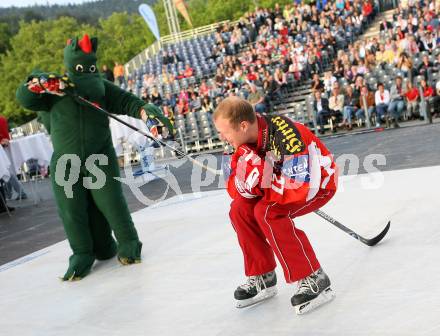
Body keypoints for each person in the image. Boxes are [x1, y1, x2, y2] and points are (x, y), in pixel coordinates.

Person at [16, 34, 173, 281]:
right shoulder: (57, 90)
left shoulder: (101, 88)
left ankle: (128, 243)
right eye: (82, 68)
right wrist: (39, 83)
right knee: (71, 209)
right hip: (66, 163)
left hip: (99, 157)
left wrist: (148, 113)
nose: (87, 74)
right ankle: (82, 253)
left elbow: (130, 102)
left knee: (110, 202)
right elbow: (26, 98)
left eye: (91, 68)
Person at [213, 96, 337, 315]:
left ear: (243, 126)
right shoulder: (234, 144)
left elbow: (301, 186)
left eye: (225, 132)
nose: (221, 137)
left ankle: (314, 277)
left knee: (267, 212)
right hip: (280, 182)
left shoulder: (286, 134)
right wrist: (248, 185)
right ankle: (263, 276)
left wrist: (261, 179)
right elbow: (233, 189)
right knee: (239, 210)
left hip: (319, 182)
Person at [0, 114, 27, 200]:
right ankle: (10, 194)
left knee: (7, 171)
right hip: (4, 145)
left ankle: (18, 192)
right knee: (7, 170)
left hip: (2, 146)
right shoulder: (2, 119)